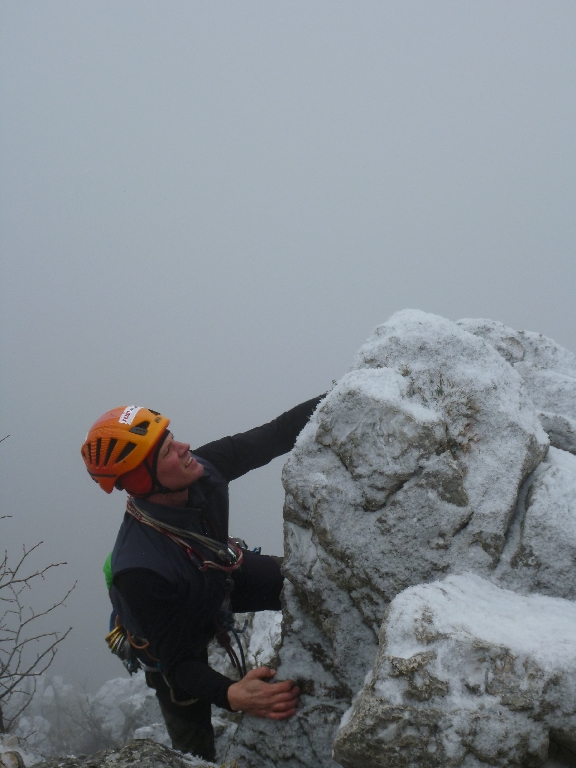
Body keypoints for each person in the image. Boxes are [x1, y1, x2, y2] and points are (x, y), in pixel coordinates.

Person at [81, 396, 323, 761]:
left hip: (216, 576)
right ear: (142, 480)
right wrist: (233, 695)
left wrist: (341, 393)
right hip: (176, 629)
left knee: (308, 583)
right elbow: (179, 663)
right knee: (195, 750)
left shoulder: (202, 469)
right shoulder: (140, 572)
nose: (184, 448)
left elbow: (277, 434)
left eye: (172, 438)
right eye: (167, 452)